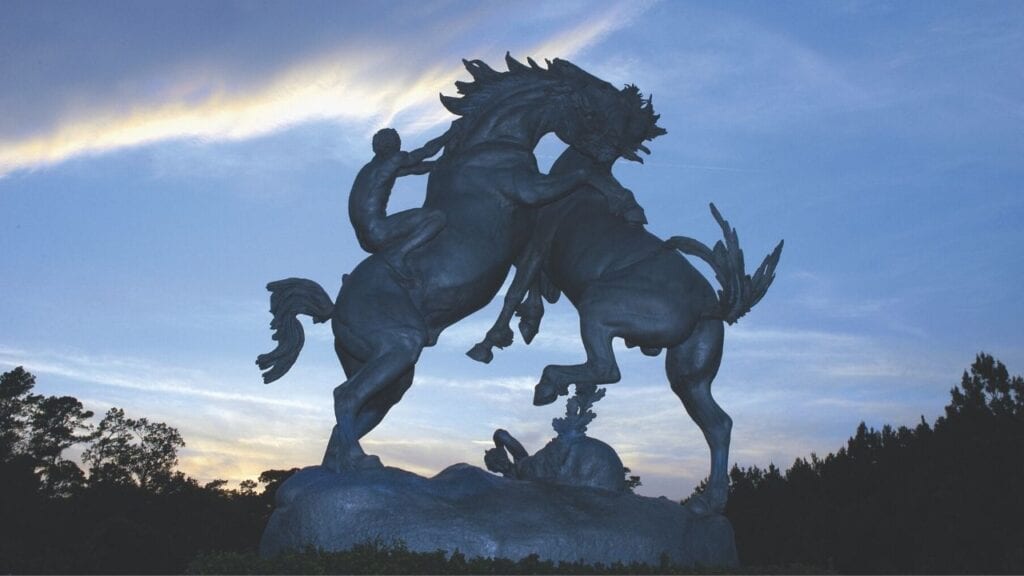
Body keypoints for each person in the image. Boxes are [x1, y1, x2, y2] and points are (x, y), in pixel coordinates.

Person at [348, 127, 451, 282]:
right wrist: (449, 134)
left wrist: (444, 163)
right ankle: (398, 255)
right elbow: (426, 152)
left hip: (365, 240)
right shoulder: (395, 159)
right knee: (436, 217)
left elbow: (416, 169)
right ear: (394, 145)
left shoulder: (372, 168)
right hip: (379, 231)